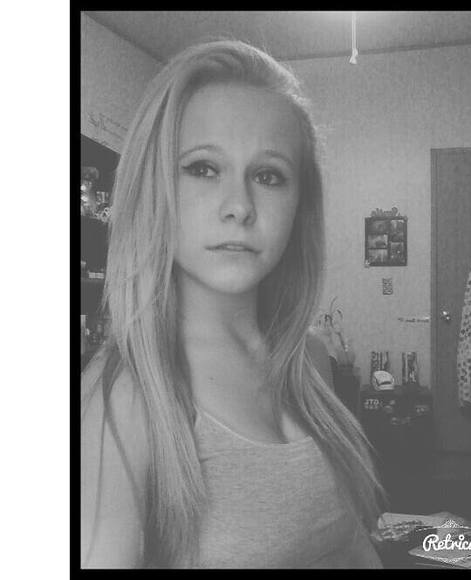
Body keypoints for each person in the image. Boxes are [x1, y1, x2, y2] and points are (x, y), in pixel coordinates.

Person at [81, 39, 388, 569]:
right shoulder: (122, 399)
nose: (240, 207)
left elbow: (352, 547)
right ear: (154, 186)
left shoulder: (310, 362)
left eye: (268, 176)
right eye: (203, 168)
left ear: (300, 204)